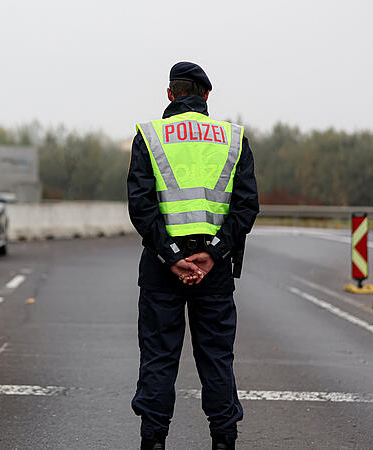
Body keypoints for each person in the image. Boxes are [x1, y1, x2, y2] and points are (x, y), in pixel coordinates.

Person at [127, 61, 259, 450]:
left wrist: (170, 255)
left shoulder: (150, 136)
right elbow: (246, 206)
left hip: (160, 267)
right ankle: (223, 441)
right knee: (216, 359)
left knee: (158, 358)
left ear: (170, 94)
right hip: (214, 270)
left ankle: (153, 442)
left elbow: (141, 205)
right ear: (206, 96)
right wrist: (213, 254)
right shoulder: (233, 139)